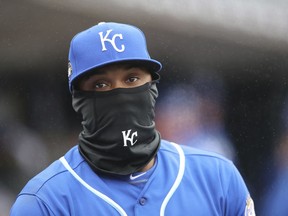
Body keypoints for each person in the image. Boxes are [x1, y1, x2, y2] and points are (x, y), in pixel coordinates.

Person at [10, 22, 255, 216]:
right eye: (101, 84)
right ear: (78, 99)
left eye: (132, 79)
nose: (120, 94)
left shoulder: (218, 177)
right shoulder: (44, 201)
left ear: (153, 87)